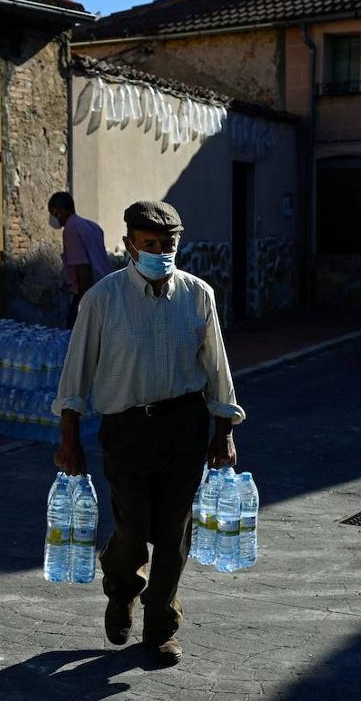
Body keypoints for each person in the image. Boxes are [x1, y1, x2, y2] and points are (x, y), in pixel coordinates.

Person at [51, 199, 246, 666]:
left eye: (168, 244)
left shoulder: (198, 295)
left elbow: (216, 366)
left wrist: (225, 430)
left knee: (175, 533)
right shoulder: (101, 299)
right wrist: (68, 437)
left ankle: (161, 626)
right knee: (133, 530)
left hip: (184, 427)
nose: (160, 252)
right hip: (126, 430)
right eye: (150, 244)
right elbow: (76, 374)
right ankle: (121, 593)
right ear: (129, 246)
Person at [48, 192, 114, 327]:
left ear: (61, 210)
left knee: (76, 338)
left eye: (53, 212)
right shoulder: (92, 226)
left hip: (90, 293)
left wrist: (81, 302)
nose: (52, 217)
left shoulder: (71, 229)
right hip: (107, 288)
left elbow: (82, 268)